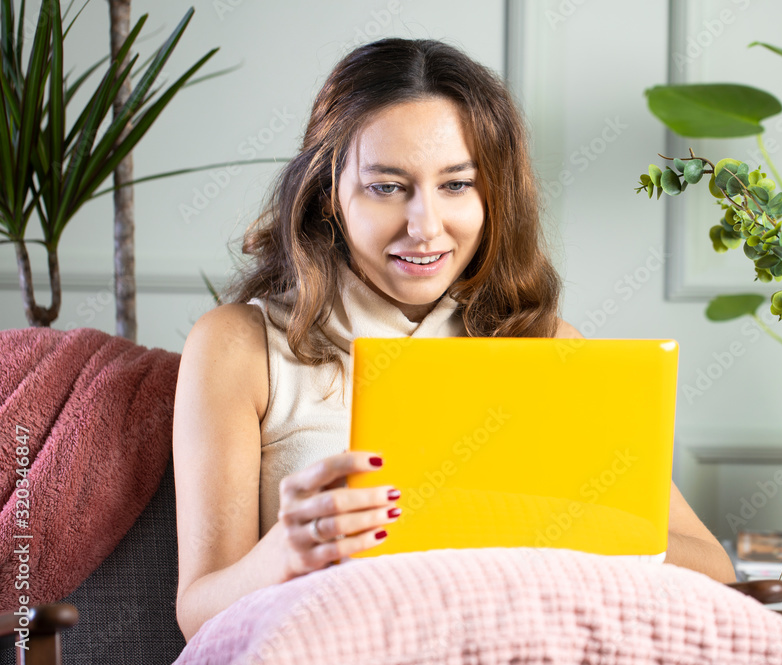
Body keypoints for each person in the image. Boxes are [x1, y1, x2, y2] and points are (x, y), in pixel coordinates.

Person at [172, 37, 734, 642]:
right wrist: (282, 554)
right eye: (387, 186)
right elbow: (198, 614)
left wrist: (551, 517)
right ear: (329, 193)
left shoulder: (545, 346)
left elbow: (714, 571)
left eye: (457, 185)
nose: (426, 228)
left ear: (494, 195)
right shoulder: (241, 346)